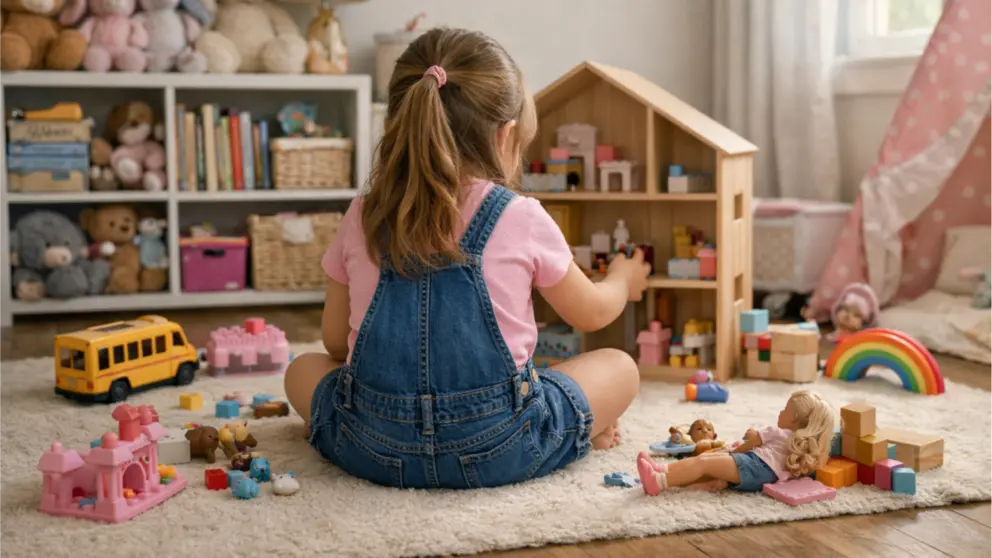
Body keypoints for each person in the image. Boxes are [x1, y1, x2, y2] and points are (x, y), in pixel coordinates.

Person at [283, 27, 650, 490]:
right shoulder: (521, 215)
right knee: (619, 367)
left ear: (397, 124)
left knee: (301, 369)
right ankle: (576, 431)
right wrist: (622, 278)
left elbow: (336, 344)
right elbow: (592, 313)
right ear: (505, 136)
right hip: (502, 448)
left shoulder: (363, 214)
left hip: (374, 447)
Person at [637, 390, 835, 495]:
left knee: (704, 461)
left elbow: (749, 445)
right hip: (759, 480)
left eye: (785, 409)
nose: (781, 412)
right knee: (707, 465)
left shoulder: (775, 431)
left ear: (794, 418)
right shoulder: (801, 446)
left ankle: (658, 481)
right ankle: (662, 469)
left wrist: (733, 454)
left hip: (750, 465)